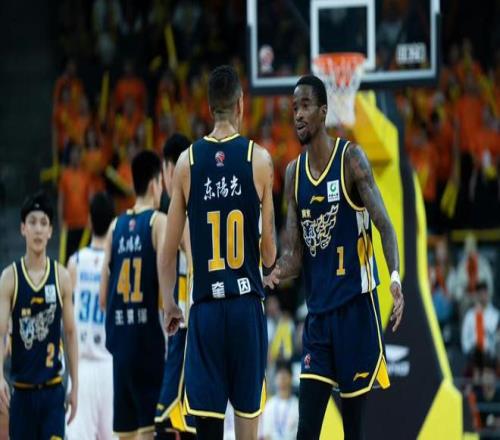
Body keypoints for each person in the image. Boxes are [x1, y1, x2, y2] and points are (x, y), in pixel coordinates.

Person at [265, 75, 404, 440]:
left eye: (305, 106)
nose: (298, 114)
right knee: (306, 430)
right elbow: (294, 256)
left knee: (352, 431)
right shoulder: (293, 174)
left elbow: (385, 226)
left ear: (324, 111)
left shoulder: (351, 160)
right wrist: (271, 272)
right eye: (294, 108)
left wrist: (394, 278)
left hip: (356, 311)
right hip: (318, 319)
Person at [160, 65, 276, 440]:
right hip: (245, 309)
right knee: (247, 427)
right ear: (241, 104)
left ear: (209, 108)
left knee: (207, 431)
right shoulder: (260, 160)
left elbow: (167, 252)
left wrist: (170, 305)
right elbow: (269, 255)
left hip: (206, 310)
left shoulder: (186, 163)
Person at [0, 191, 78, 439]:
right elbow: (1, 333)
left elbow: (70, 334)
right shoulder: (9, 277)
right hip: (22, 393)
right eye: (32, 222)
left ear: (51, 231)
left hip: (52, 393)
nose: (38, 229)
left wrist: (75, 386)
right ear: (23, 228)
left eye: (44, 223)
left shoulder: (61, 276)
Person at [100, 151, 167, 440]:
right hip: (147, 341)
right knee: (149, 431)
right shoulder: (158, 222)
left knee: (125, 433)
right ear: (154, 184)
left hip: (120, 343)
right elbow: (167, 281)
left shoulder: (114, 227)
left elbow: (103, 297)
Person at [155, 134, 196, 439]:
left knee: (169, 419)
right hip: (190, 321)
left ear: (170, 169)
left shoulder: (183, 210)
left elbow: (192, 263)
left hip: (188, 323)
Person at [66, 192, 115, 440]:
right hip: (110, 366)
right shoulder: (115, 263)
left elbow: (66, 319)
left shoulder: (74, 262)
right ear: (113, 222)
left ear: (89, 221)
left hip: (82, 368)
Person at [262, 360, 299, 440]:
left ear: (291, 378)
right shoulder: (269, 405)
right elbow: (265, 435)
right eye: (280, 376)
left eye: (285, 376)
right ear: (275, 379)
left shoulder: (297, 406)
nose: (282, 380)